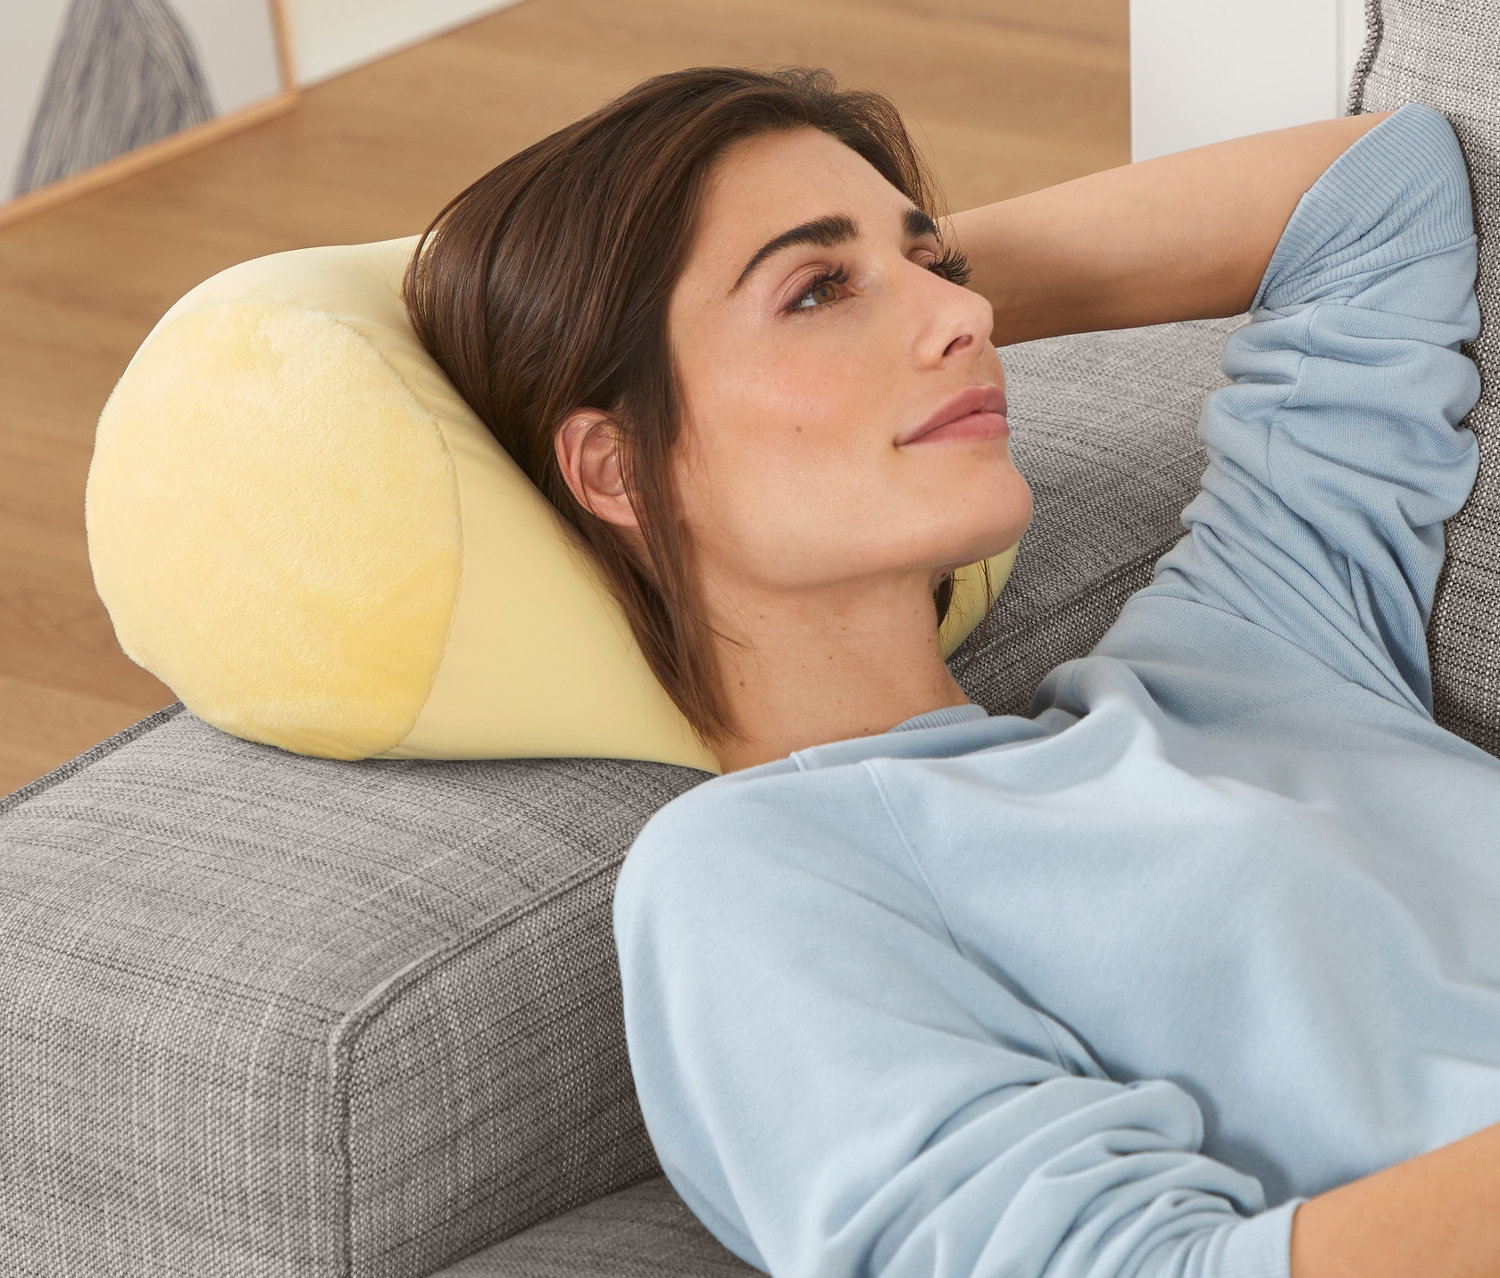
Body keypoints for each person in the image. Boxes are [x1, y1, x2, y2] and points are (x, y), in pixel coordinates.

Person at [405, 66, 1500, 1278]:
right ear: (614, 470)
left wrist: (905, 286)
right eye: (815, 289)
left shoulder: (1251, 640)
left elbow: (1378, 195)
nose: (964, 319)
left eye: (943, 273)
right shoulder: (750, 872)